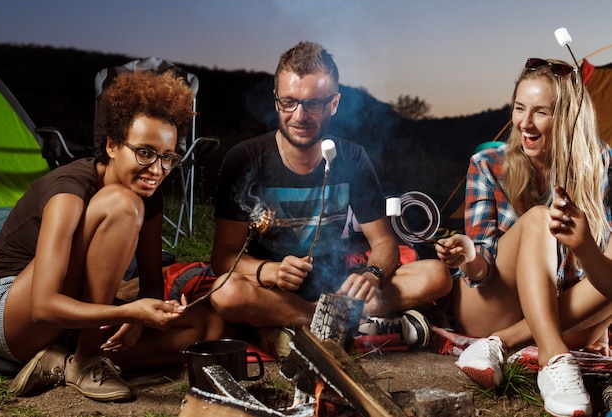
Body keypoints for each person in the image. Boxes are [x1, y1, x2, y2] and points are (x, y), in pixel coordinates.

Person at [0, 70, 225, 402]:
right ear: (112, 145)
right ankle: (85, 361)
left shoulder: (149, 193)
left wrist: (146, 318)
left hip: (71, 314)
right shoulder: (68, 189)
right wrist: (128, 313)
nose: (156, 170)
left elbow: (152, 284)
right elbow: (42, 306)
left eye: (168, 157)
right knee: (122, 205)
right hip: (9, 310)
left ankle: (60, 359)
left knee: (206, 329)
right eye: (144, 152)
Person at [209, 41, 452, 354]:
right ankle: (332, 322)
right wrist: (271, 271)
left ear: (334, 104)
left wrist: (373, 274)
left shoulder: (352, 158)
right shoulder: (244, 160)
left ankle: (297, 326)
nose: (300, 115)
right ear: (276, 101)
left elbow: (384, 244)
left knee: (436, 274)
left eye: (314, 104)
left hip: (337, 287)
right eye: (290, 102)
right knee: (224, 292)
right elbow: (223, 257)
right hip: (272, 289)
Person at [435, 57, 612, 417]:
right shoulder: (488, 163)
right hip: (491, 306)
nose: (524, 123)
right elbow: (481, 272)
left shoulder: (604, 164)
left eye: (540, 112)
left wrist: (587, 248)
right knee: (536, 220)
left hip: (567, 316)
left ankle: (502, 345)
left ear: (567, 117)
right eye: (519, 108)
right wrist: (469, 255)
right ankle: (552, 355)